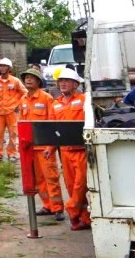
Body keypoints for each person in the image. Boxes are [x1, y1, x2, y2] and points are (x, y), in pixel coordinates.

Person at [17, 65, 64, 220]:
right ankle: (47, 205)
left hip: (44, 146)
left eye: (32, 78)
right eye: (26, 78)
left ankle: (57, 208)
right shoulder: (23, 99)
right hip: (31, 146)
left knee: (51, 176)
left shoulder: (46, 98)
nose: (28, 79)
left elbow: (52, 122)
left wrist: (51, 145)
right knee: (39, 180)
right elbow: (22, 123)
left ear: (38, 81)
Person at [52, 67, 91, 231]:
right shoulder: (55, 104)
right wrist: (50, 147)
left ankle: (73, 210)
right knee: (70, 186)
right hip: (65, 153)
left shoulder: (84, 100)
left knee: (80, 186)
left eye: (66, 81)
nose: (63, 84)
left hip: (81, 150)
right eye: (61, 81)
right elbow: (53, 128)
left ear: (75, 84)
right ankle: (84, 219)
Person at [0, 57, 25, 162]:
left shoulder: (16, 81)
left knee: (13, 134)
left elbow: (25, 93)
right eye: (1, 66)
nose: (2, 68)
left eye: (4, 66)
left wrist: (19, 105)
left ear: (9, 68)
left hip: (12, 112)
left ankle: (12, 153)